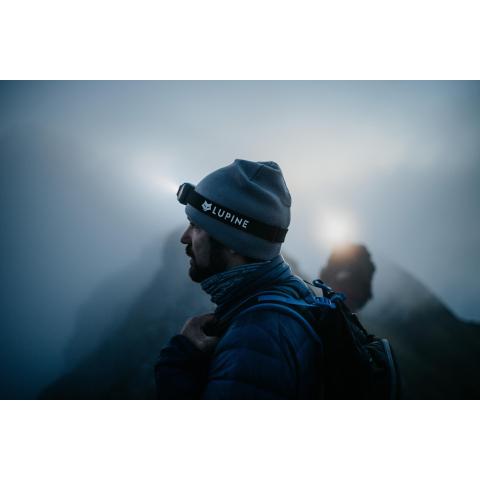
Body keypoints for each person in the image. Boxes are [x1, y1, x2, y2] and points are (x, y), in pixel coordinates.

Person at [154, 159, 322, 399]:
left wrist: (178, 362)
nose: (184, 237)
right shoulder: (292, 293)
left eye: (196, 226)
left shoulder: (254, 341)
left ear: (233, 241)